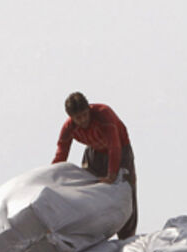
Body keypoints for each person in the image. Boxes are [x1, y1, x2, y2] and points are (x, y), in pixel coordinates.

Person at [53, 91, 138, 239]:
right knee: (88, 188)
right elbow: (61, 153)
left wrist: (111, 175)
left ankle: (126, 237)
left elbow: (114, 146)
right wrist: (52, 178)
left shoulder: (103, 115)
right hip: (95, 151)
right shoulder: (69, 127)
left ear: (89, 110)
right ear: (71, 117)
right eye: (78, 117)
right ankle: (93, 232)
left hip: (120, 149)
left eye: (85, 115)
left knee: (125, 191)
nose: (83, 120)